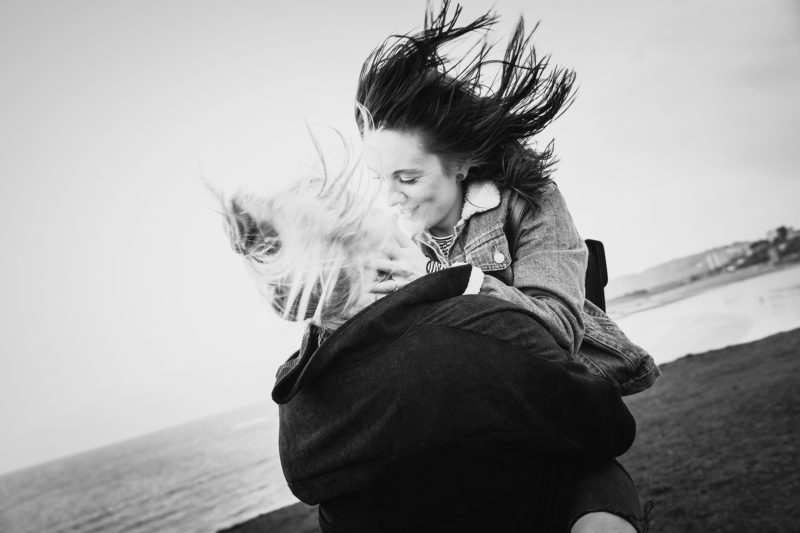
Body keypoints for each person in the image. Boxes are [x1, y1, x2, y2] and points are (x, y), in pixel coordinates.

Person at [354, 2, 658, 531]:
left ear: (460, 162)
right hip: (467, 453)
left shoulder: (530, 199)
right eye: (379, 177)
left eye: (406, 178)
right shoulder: (388, 246)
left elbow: (559, 329)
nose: (390, 198)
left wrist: (438, 285)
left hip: (562, 429)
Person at [217, 168, 640, 532]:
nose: (390, 213)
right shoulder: (482, 334)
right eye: (372, 213)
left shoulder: (297, 414)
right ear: (376, 259)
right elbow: (609, 425)